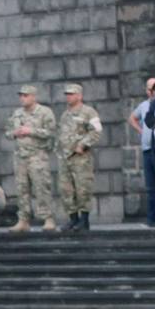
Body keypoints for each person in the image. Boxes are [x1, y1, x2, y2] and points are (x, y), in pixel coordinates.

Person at [4, 84, 58, 232]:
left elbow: (51, 132)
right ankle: (23, 220)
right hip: (20, 156)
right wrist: (15, 132)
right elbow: (7, 132)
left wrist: (31, 131)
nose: (22, 98)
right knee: (22, 188)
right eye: (21, 95)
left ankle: (48, 219)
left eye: (26, 95)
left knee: (42, 187)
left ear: (34, 97)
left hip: (37, 155)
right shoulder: (17, 113)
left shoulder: (45, 112)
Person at [57, 83, 102, 231]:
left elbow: (96, 131)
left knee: (83, 188)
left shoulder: (89, 112)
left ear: (79, 95)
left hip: (81, 158)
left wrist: (83, 144)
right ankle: (73, 219)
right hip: (65, 158)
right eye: (67, 94)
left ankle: (84, 220)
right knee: (66, 189)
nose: (68, 97)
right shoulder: (65, 114)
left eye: (71, 94)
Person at [129, 76, 155, 227]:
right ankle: (152, 217)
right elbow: (134, 119)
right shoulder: (145, 105)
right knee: (151, 185)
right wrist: (140, 130)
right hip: (148, 149)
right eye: (151, 87)